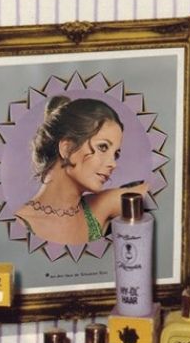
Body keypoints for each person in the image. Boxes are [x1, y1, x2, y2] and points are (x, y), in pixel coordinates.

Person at [13, 95, 149, 245]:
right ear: (67, 148)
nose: (113, 164)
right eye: (103, 147)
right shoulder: (18, 225)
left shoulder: (100, 207)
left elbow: (161, 192)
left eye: (115, 154)